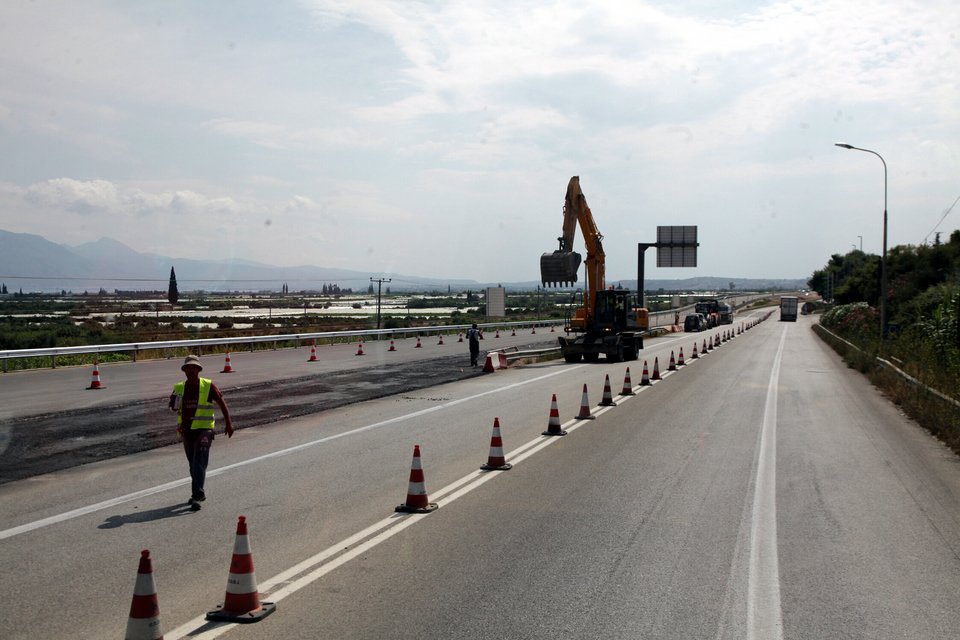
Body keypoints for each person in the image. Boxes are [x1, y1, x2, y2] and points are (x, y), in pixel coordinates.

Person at [169, 355, 234, 511]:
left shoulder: (208, 385)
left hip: (204, 429)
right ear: (184, 370)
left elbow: (221, 402)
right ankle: (199, 492)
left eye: (194, 368)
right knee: (193, 464)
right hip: (186, 430)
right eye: (188, 368)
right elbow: (173, 407)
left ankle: (197, 494)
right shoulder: (179, 387)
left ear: (199, 370)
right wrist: (175, 401)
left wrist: (228, 423)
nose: (191, 371)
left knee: (199, 460)